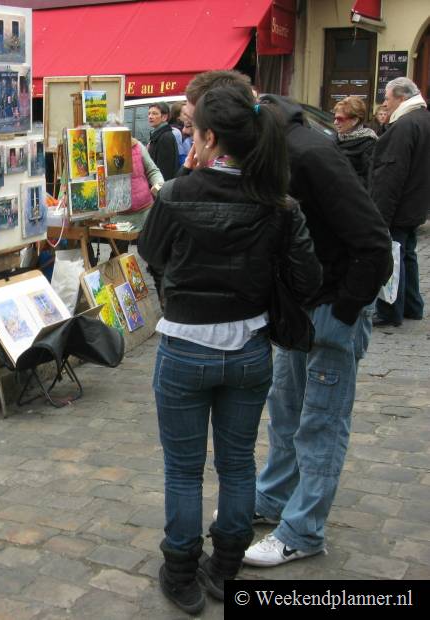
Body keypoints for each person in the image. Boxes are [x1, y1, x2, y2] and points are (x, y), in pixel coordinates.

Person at [138, 85, 322, 614]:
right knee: (238, 465)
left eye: (194, 131)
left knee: (183, 469)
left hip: (185, 347)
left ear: (209, 138)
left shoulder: (176, 193)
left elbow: (151, 254)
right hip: (248, 348)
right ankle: (224, 567)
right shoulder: (278, 204)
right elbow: (307, 278)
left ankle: (181, 570)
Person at [243, 93, 392, 568]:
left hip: (330, 309)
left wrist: (343, 310)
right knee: (285, 411)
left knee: (320, 425)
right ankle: (272, 499)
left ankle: (304, 530)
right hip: (304, 309)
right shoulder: (278, 150)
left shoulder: (310, 152)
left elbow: (374, 242)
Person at [370, 77, 430, 328]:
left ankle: (390, 310)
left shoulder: (406, 125)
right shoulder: (423, 119)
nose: (385, 103)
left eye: (387, 98)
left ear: (402, 98)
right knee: (406, 254)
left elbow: (391, 174)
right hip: (415, 203)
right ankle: (413, 305)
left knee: (393, 256)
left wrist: (380, 216)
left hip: (401, 204)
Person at [333, 96, 377, 189]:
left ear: (354, 120)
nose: (335, 122)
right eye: (335, 118)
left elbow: (369, 181)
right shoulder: (337, 138)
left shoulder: (369, 145)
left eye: (340, 119)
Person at [147, 102, 179, 180]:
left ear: (164, 117)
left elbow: (165, 170)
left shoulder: (165, 137)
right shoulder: (158, 134)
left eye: (154, 113)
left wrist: (158, 189)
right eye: (149, 113)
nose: (150, 116)